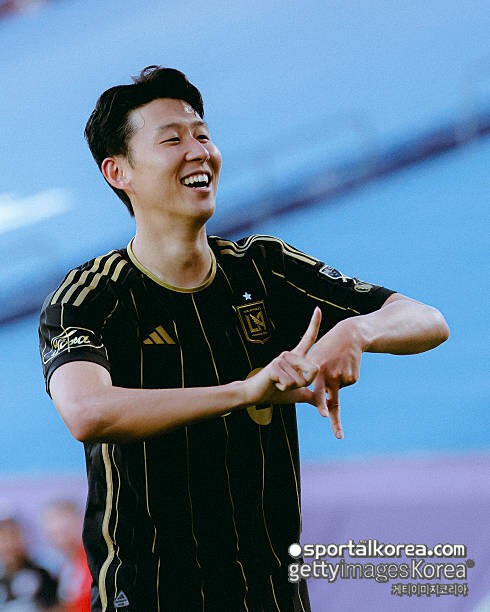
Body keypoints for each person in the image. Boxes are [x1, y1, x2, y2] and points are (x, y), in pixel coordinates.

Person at [38, 66, 449, 611]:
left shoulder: (264, 267)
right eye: (172, 140)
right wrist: (246, 391)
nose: (198, 151)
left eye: (203, 135)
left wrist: (357, 329)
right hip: (151, 594)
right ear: (119, 172)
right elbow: (87, 412)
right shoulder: (91, 295)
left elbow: (427, 320)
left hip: (272, 593)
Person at [40, 500, 91, 612]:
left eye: (65, 531)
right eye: (54, 534)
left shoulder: (95, 562)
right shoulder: (67, 566)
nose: (61, 540)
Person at [0, 515, 58, 610]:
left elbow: (55, 606)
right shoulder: (2, 578)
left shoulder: (42, 574)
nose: (8, 545)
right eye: (3, 539)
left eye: (12, 536)